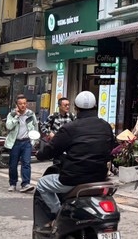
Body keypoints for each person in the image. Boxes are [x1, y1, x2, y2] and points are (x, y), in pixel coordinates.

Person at [35, 91, 115, 229]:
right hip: (99, 177)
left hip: (73, 178)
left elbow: (52, 148)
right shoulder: (106, 126)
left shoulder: (70, 128)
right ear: (95, 106)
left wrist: (40, 154)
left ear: (76, 108)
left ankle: (58, 215)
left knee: (42, 183)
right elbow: (110, 148)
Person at [5, 94, 39, 193]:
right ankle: (12, 184)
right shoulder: (11, 115)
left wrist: (34, 140)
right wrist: (16, 116)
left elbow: (35, 126)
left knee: (26, 163)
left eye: (24, 103)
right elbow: (8, 126)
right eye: (20, 104)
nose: (23, 105)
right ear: (17, 105)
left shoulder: (30, 114)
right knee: (13, 164)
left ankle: (25, 184)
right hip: (15, 142)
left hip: (26, 142)